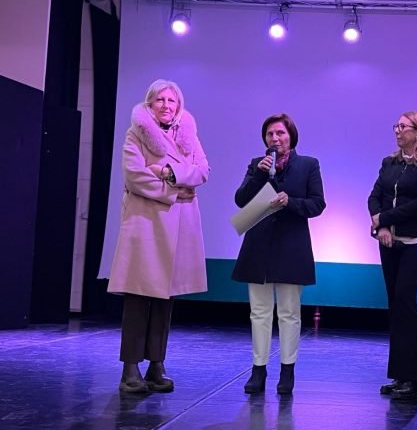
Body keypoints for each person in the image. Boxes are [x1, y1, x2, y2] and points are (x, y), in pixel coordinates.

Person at [108, 79, 209, 393]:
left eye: (171, 100)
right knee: (139, 296)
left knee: (165, 297)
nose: (166, 105)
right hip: (145, 224)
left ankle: (156, 364)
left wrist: (167, 172)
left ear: (178, 106)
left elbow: (202, 170)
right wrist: (174, 192)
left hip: (178, 226)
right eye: (160, 100)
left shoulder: (188, 134)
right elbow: (135, 176)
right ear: (149, 104)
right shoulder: (136, 134)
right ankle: (130, 368)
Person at [232, 113, 326, 395]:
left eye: (280, 133)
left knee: (289, 313)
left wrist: (291, 202)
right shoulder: (257, 164)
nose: (275, 138)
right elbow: (241, 200)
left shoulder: (308, 165)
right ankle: (258, 370)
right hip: (258, 246)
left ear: (291, 136)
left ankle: (287, 370)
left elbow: (317, 204)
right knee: (259, 312)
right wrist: (259, 175)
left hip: (291, 247)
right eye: (270, 134)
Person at [368, 111, 417, 400]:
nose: (397, 130)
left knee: (405, 300)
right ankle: (400, 376)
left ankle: (414, 379)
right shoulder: (389, 163)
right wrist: (382, 227)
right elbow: (374, 197)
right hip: (389, 241)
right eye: (396, 126)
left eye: (403, 126)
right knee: (396, 305)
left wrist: (384, 218)